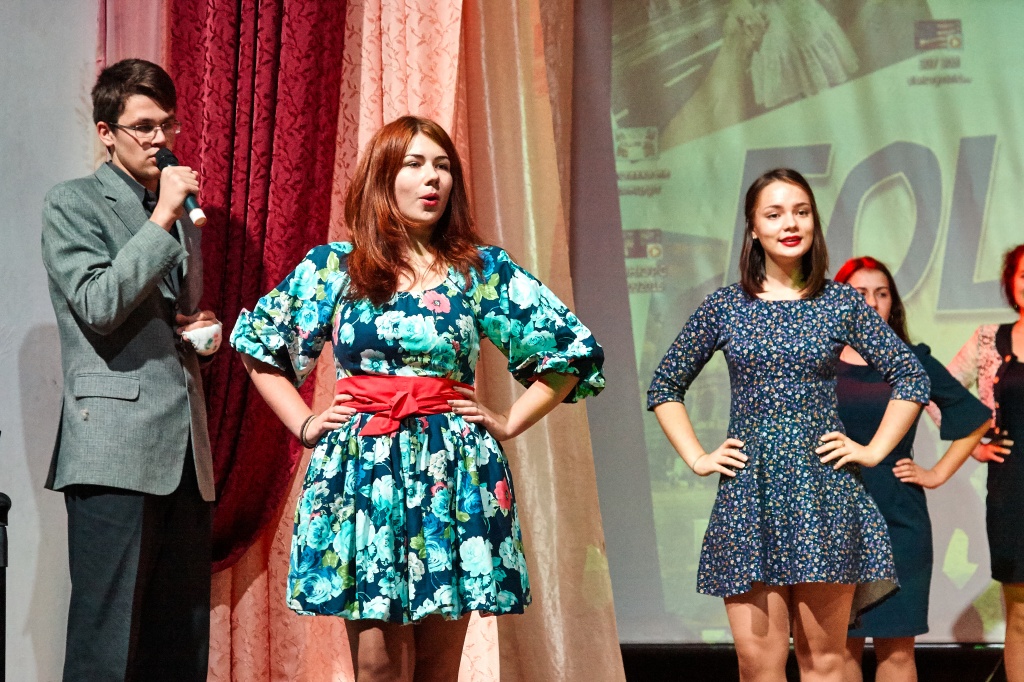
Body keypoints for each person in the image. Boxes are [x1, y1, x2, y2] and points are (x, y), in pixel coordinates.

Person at [229, 115, 604, 681]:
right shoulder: (336, 266)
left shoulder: (479, 269)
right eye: (416, 164)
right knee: (378, 665)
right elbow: (259, 344)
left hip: (452, 468)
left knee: (435, 670)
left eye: (443, 166)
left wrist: (509, 421)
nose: (434, 178)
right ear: (384, 176)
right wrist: (304, 424)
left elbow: (571, 352)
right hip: (363, 468)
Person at [648, 168, 930, 681]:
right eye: (774, 214)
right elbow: (665, 385)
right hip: (749, 496)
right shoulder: (726, 306)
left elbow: (911, 375)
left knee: (825, 661)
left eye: (801, 212)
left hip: (823, 493)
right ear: (754, 227)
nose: (790, 224)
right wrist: (698, 457)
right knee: (758, 664)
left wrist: (872, 451)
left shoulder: (840, 302)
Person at [40, 59, 219, 681]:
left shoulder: (173, 207)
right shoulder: (74, 203)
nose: (159, 139)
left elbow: (171, 308)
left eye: (167, 125)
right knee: (107, 645)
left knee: (179, 647)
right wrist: (163, 217)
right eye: (143, 126)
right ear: (106, 132)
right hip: (114, 451)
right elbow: (98, 303)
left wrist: (197, 331)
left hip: (184, 449)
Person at [833, 257, 990, 682]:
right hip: (833, 515)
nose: (872, 302)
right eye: (860, 293)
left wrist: (935, 474)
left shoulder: (909, 359)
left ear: (893, 303)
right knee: (839, 649)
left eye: (882, 293)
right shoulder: (819, 360)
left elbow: (974, 420)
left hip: (898, 518)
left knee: (897, 650)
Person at [946, 244, 1024, 682]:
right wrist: (972, 444)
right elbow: (939, 390)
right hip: (1013, 487)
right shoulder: (988, 338)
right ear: (1011, 283)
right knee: (1021, 612)